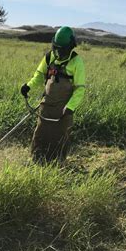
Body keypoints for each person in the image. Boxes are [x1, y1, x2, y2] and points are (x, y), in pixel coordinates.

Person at [21, 26, 86, 164]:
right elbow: (39, 75)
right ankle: (36, 159)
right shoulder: (49, 57)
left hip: (64, 109)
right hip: (47, 104)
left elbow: (80, 89)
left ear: (70, 47)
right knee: (41, 132)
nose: (58, 52)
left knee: (60, 135)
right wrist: (29, 86)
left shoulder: (76, 62)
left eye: (62, 49)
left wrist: (71, 106)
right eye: (56, 48)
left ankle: (58, 162)